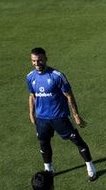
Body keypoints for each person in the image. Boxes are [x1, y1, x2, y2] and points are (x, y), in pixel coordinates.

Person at [26, 47, 98, 181]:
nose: (37, 63)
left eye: (40, 60)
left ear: (46, 59)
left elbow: (69, 95)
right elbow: (32, 95)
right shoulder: (30, 77)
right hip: (42, 119)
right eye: (34, 61)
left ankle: (90, 166)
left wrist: (76, 115)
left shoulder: (57, 76)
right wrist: (31, 113)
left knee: (77, 140)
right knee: (44, 143)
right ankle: (48, 169)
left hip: (60, 117)